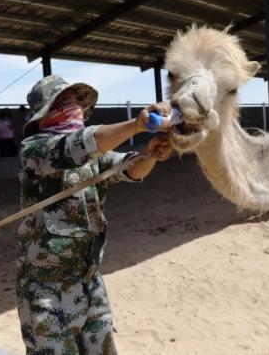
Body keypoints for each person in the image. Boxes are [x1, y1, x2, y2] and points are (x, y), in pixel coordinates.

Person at [16, 75, 173, 354]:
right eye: (64, 102)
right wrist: (137, 124)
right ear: (45, 112)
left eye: (76, 101)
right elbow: (79, 146)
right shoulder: (35, 150)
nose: (74, 106)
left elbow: (129, 169)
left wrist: (150, 153)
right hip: (47, 291)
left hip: (89, 282)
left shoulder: (92, 154)